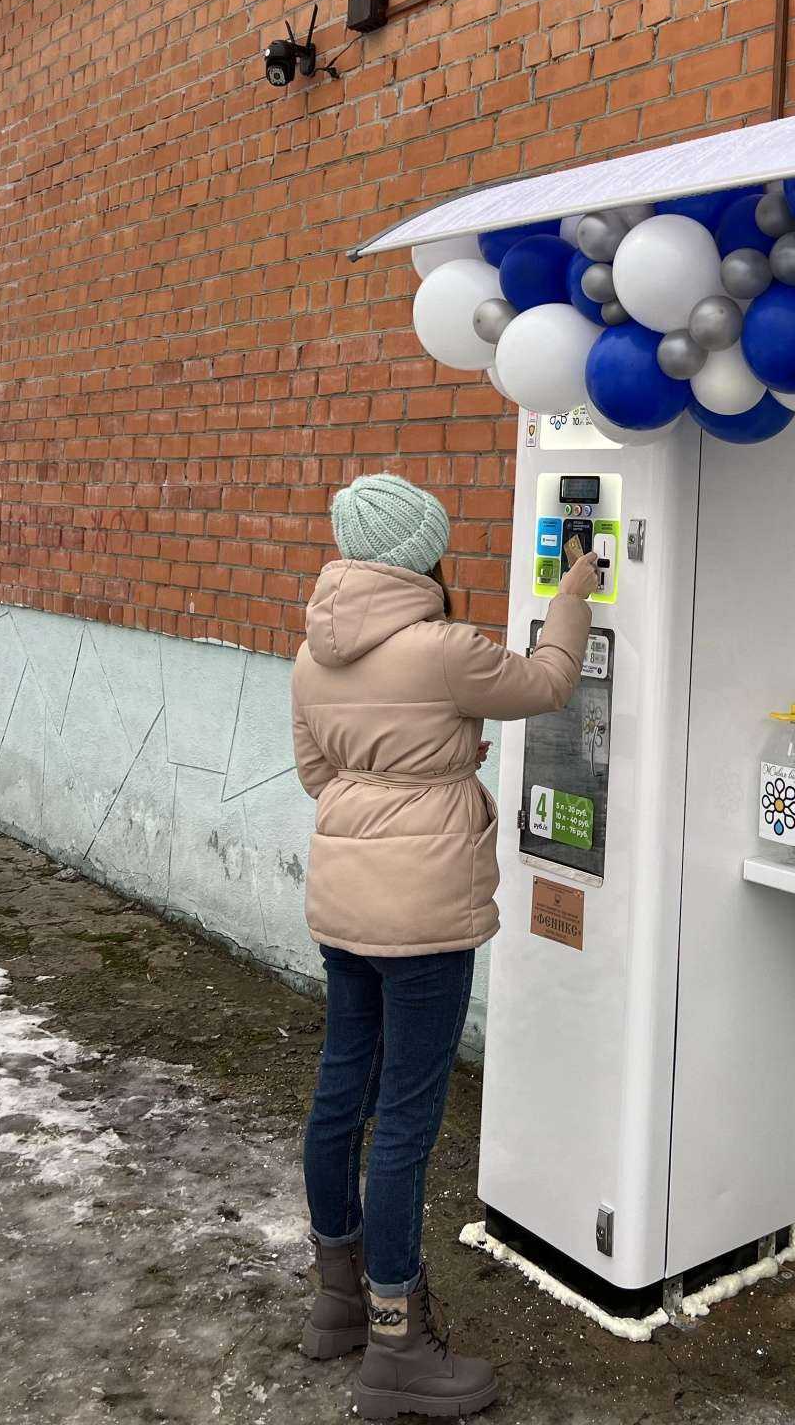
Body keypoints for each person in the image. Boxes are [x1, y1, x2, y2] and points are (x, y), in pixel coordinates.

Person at [291, 471, 597, 1420]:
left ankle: (336, 1301)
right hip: (425, 912)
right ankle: (398, 1345)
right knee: (409, 1121)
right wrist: (571, 601)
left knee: (344, 1087)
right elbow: (549, 685)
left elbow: (315, 775)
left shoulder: (314, 655)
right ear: (422, 553)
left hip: (345, 903)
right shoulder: (444, 649)